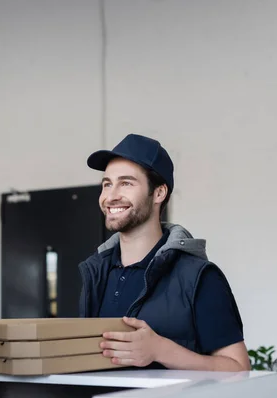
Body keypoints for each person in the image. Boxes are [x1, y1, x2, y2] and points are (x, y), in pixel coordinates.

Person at [79, 133, 250, 371]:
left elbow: (239, 368)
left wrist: (160, 350)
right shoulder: (96, 273)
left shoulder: (198, 277)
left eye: (126, 183)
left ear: (159, 193)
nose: (111, 195)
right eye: (107, 184)